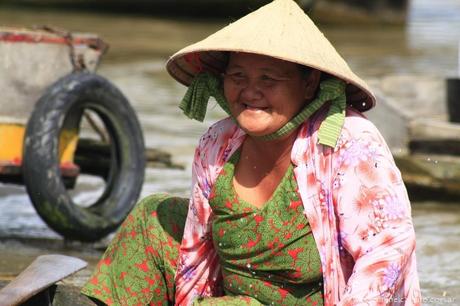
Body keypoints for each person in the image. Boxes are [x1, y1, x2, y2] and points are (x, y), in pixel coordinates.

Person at [81, 0, 421, 305]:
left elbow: (388, 247)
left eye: (269, 79)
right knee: (153, 215)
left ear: (309, 83)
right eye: (238, 76)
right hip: (235, 297)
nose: (250, 91)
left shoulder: (348, 142)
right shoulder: (217, 142)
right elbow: (196, 257)